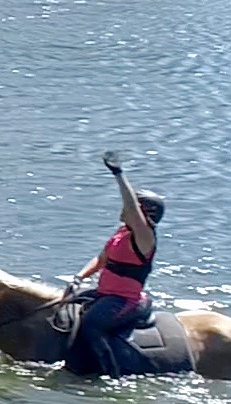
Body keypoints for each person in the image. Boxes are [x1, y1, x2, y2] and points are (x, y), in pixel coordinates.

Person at [65, 151, 166, 377]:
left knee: (91, 324)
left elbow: (130, 206)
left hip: (125, 300)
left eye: (131, 209)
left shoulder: (144, 238)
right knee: (67, 304)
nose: (123, 210)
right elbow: (101, 259)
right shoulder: (122, 232)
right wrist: (79, 278)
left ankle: (111, 373)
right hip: (105, 293)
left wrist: (119, 174)